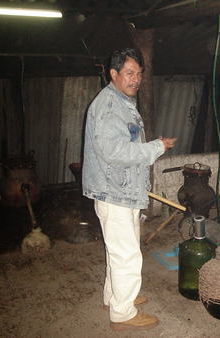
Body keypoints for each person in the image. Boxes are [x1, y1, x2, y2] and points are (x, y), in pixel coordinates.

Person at [82, 47, 177, 331]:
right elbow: (115, 152)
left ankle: (116, 298)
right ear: (114, 74)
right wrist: (157, 147)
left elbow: (125, 143)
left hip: (120, 190)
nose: (136, 79)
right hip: (115, 192)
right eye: (129, 73)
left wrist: (150, 146)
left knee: (119, 251)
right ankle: (123, 314)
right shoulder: (109, 106)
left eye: (138, 73)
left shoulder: (121, 101)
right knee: (127, 255)